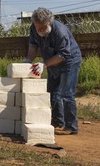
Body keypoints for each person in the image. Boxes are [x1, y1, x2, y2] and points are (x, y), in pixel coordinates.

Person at [23, 7, 82, 135]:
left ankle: (71, 126)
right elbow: (33, 45)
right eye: (37, 28)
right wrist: (28, 60)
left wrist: (44, 64)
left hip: (69, 61)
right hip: (52, 62)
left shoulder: (59, 31)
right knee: (52, 92)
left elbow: (63, 54)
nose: (40, 31)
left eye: (42, 28)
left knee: (67, 93)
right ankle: (57, 122)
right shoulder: (34, 28)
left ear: (49, 22)